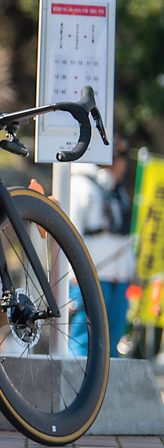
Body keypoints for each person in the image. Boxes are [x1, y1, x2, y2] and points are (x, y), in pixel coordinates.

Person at [69, 138, 135, 356]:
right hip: (91, 273)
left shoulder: (119, 191)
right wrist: (74, 269)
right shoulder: (82, 183)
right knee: (84, 337)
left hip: (118, 275)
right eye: (117, 159)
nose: (121, 165)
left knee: (113, 339)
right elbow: (73, 228)